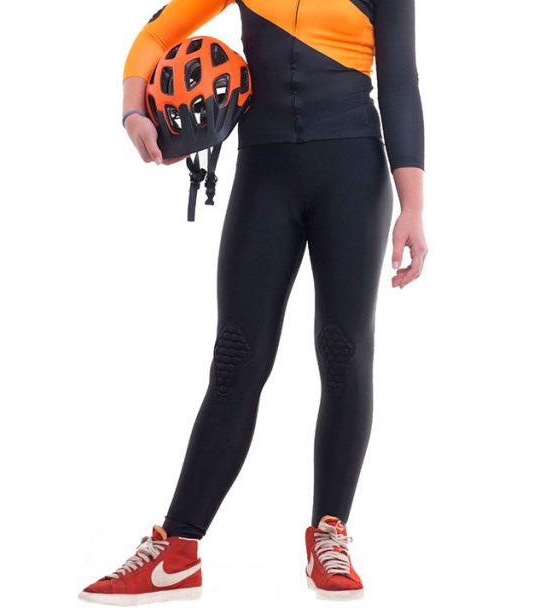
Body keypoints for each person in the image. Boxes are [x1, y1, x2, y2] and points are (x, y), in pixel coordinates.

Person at [80, 0, 427, 605]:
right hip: (264, 170)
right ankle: (177, 551)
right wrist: (134, 109)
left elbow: (400, 84)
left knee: (344, 352)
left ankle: (329, 535)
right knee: (236, 358)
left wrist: (413, 208)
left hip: (352, 169)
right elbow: (158, 33)